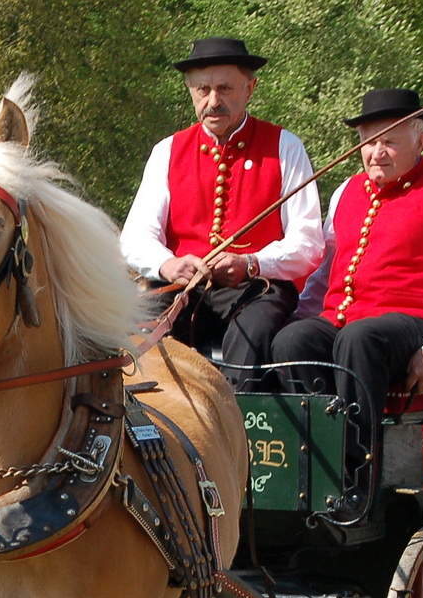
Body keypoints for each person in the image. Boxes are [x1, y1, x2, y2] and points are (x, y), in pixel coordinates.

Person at [270, 88, 423, 497]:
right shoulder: (345, 193)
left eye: (390, 140)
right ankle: (313, 468)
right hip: (346, 320)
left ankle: (358, 478)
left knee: (361, 337)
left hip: (413, 325)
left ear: (420, 141)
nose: (377, 152)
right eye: (370, 141)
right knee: (290, 341)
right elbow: (325, 275)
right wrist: (300, 317)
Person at [121, 36, 324, 389]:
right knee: (134, 329)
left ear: (249, 89)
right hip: (182, 287)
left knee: (252, 331)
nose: (213, 101)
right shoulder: (167, 151)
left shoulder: (285, 147)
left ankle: (236, 428)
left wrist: (252, 263)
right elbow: (136, 236)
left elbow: (309, 243)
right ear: (191, 92)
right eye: (203, 90)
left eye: (225, 89)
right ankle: (145, 427)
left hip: (256, 290)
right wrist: (169, 265)